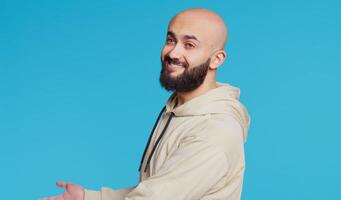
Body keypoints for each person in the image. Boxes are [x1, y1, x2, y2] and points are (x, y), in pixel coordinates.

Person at [44, 8, 250, 200]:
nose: (173, 53)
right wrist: (89, 197)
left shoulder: (215, 131)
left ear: (216, 59)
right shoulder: (178, 108)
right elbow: (157, 187)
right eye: (171, 40)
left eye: (189, 45)